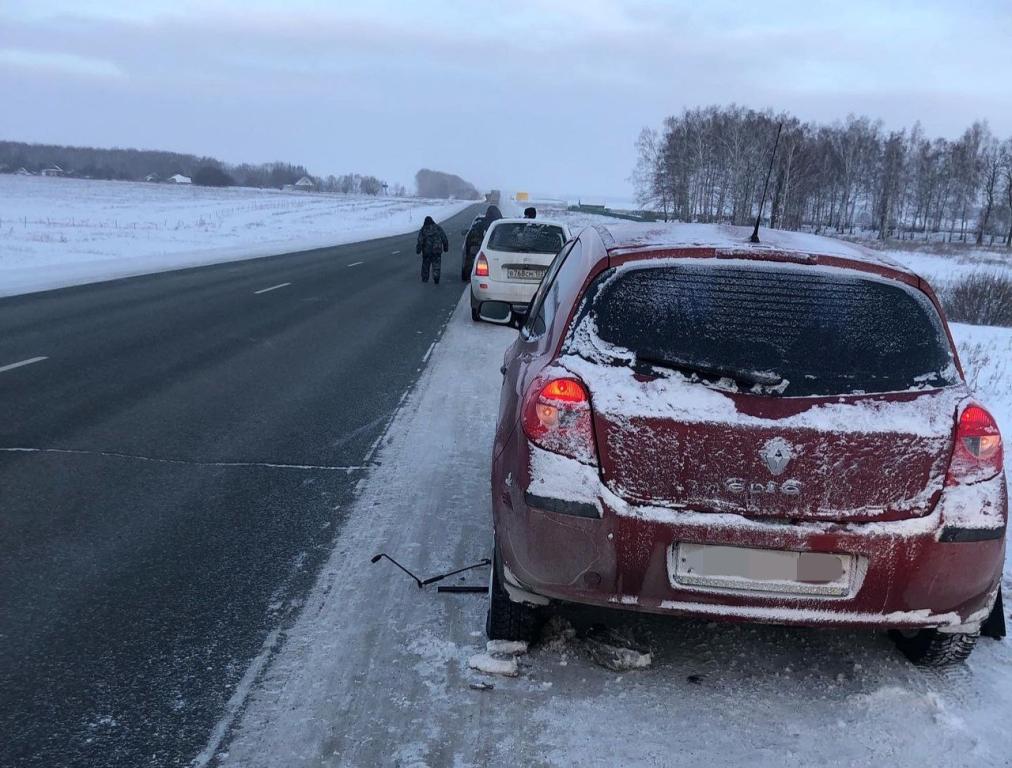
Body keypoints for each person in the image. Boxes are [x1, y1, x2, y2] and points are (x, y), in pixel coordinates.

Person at [416, 215, 449, 284]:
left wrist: (418, 250)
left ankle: (425, 278)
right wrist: (446, 247)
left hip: (426, 251)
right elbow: (444, 238)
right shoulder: (438, 228)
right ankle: (436, 277)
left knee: (426, 265)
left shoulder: (423, 229)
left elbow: (420, 241)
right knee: (436, 265)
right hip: (437, 250)